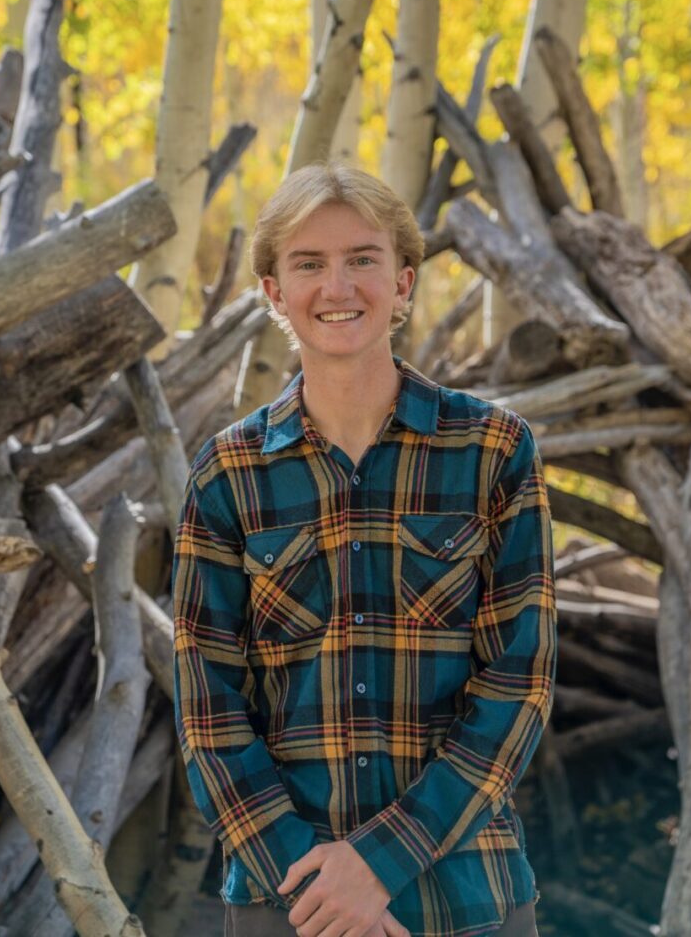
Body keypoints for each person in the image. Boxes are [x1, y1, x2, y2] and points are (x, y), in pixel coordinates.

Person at [171, 162, 556, 937]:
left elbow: (520, 683)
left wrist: (380, 863)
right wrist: (320, 885)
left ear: (403, 281)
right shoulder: (228, 474)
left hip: (465, 895)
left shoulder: (492, 450)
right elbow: (208, 708)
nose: (337, 287)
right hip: (288, 902)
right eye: (309, 264)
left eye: (362, 259)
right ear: (274, 291)